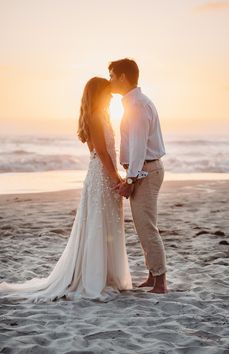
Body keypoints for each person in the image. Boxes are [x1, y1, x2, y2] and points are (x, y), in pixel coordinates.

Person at [0, 77, 132, 303]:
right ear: (99, 93)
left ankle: (108, 275)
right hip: (101, 175)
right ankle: (94, 278)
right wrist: (116, 177)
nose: (111, 95)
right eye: (108, 91)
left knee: (107, 222)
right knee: (98, 224)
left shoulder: (102, 115)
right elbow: (101, 152)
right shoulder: (95, 117)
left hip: (101, 174)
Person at [109, 58, 168, 293]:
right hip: (144, 170)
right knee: (143, 225)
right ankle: (153, 275)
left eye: (112, 75)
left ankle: (161, 281)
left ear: (123, 77)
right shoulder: (133, 103)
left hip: (146, 171)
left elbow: (139, 147)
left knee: (146, 226)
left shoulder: (137, 106)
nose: (110, 79)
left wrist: (131, 180)